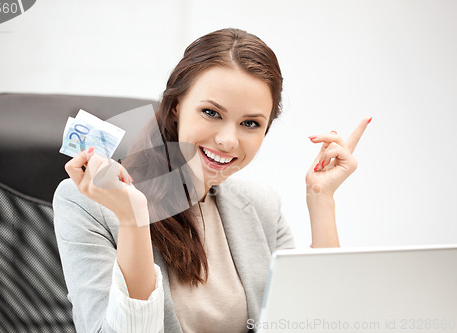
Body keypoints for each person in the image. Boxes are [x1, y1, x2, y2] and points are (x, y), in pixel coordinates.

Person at [53, 28, 370, 333]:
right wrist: (133, 220)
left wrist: (321, 198)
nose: (229, 140)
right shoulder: (86, 203)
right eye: (211, 112)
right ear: (177, 107)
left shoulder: (262, 207)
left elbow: (317, 323)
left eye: (250, 123)